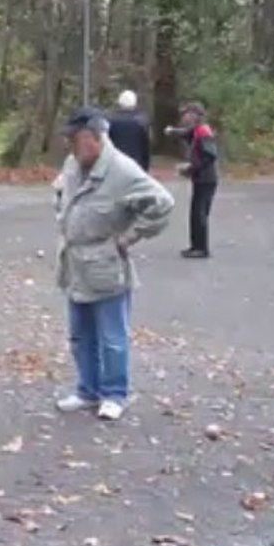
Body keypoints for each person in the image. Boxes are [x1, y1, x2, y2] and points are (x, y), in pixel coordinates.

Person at [53, 107, 174, 422]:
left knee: (112, 337)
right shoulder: (72, 164)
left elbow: (162, 203)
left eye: (75, 139)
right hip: (75, 261)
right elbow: (62, 191)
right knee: (80, 334)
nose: (70, 146)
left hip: (106, 264)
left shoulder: (122, 170)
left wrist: (131, 235)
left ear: (93, 138)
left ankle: (114, 394)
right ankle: (87, 390)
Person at [164, 102, 219, 259]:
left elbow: (210, 155)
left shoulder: (203, 131)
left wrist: (191, 168)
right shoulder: (196, 130)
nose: (184, 117)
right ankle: (196, 246)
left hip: (206, 179)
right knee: (196, 213)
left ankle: (201, 248)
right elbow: (185, 133)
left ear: (195, 115)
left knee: (199, 213)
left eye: (187, 114)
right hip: (201, 178)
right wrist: (172, 131)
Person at [107, 90, 151, 172]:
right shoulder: (141, 122)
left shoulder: (110, 121)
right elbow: (145, 147)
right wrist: (145, 167)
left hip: (116, 164)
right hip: (136, 165)